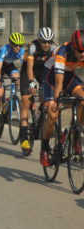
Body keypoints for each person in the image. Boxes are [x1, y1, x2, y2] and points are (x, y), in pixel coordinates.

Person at [40, 29, 84, 167]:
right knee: (53, 114)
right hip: (51, 78)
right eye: (80, 52)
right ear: (73, 47)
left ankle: (74, 133)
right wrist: (57, 100)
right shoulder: (63, 52)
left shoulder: (82, 53)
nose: (83, 55)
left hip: (70, 77)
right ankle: (45, 148)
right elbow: (59, 81)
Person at [19, 27, 57, 154]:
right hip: (28, 71)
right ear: (39, 40)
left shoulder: (54, 48)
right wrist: (31, 82)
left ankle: (40, 112)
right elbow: (29, 66)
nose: (46, 44)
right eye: (43, 41)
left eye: (49, 41)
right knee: (26, 102)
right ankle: (24, 138)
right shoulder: (33, 47)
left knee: (47, 98)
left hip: (43, 70)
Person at [0, 32, 25, 135]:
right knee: (0, 94)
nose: (18, 47)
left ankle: (11, 99)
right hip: (0, 67)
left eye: (20, 45)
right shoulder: (4, 49)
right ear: (11, 44)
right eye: (15, 45)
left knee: (17, 79)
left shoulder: (22, 51)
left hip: (10, 65)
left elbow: (26, 66)